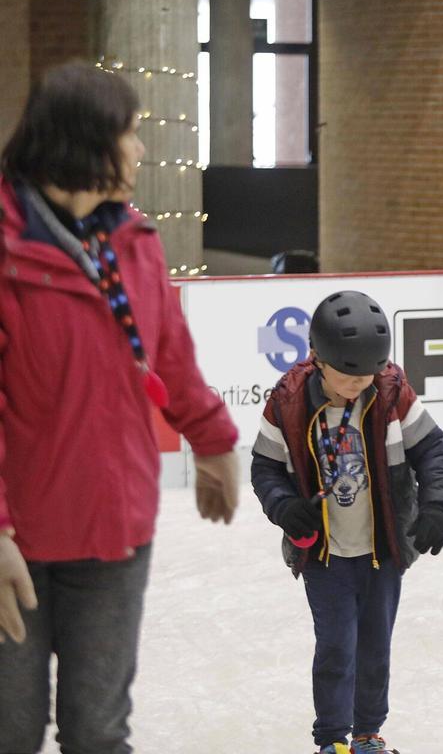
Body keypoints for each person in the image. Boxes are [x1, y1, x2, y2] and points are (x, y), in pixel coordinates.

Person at [0, 62, 240, 751]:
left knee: (98, 732)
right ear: (85, 143)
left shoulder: (132, 241)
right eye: (129, 135)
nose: (139, 150)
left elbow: (171, 356)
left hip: (114, 528)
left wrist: (214, 442)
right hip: (19, 538)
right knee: (10, 731)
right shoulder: (7, 252)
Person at [251, 290, 443, 754]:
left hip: (384, 548)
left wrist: (437, 506)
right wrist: (285, 508)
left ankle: (367, 733)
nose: (357, 384)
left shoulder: (389, 393)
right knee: (337, 646)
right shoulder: (288, 401)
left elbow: (433, 451)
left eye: (366, 375)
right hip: (324, 552)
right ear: (318, 357)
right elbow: (264, 468)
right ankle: (331, 738)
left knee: (374, 646)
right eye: (347, 376)